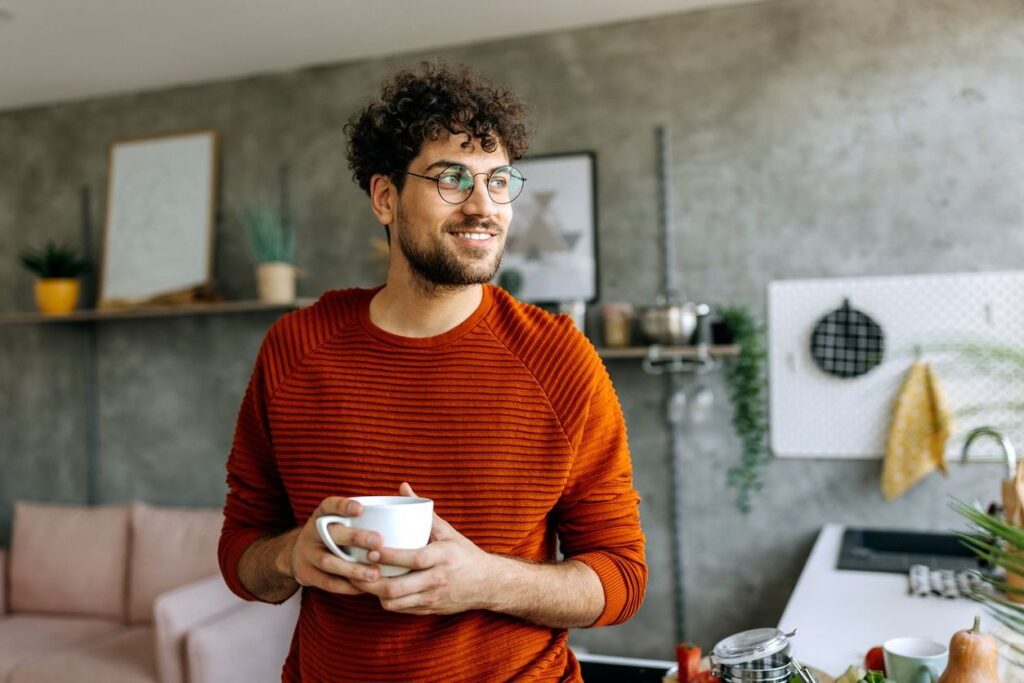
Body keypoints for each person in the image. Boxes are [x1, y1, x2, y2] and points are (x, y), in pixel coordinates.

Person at [218, 62, 647, 682]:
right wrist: (292, 556)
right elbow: (242, 557)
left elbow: (622, 578)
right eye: (452, 178)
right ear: (385, 197)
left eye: (498, 181)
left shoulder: (561, 362)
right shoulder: (295, 350)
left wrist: (485, 581)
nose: (483, 206)